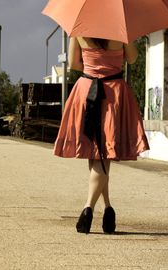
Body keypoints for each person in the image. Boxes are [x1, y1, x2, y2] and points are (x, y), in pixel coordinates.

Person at [54, 36, 149, 234]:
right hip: (113, 91)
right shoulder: (119, 30)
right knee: (101, 154)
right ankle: (89, 209)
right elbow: (132, 59)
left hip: (87, 89)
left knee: (96, 153)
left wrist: (93, 66)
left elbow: (74, 63)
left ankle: (106, 209)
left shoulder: (79, 30)